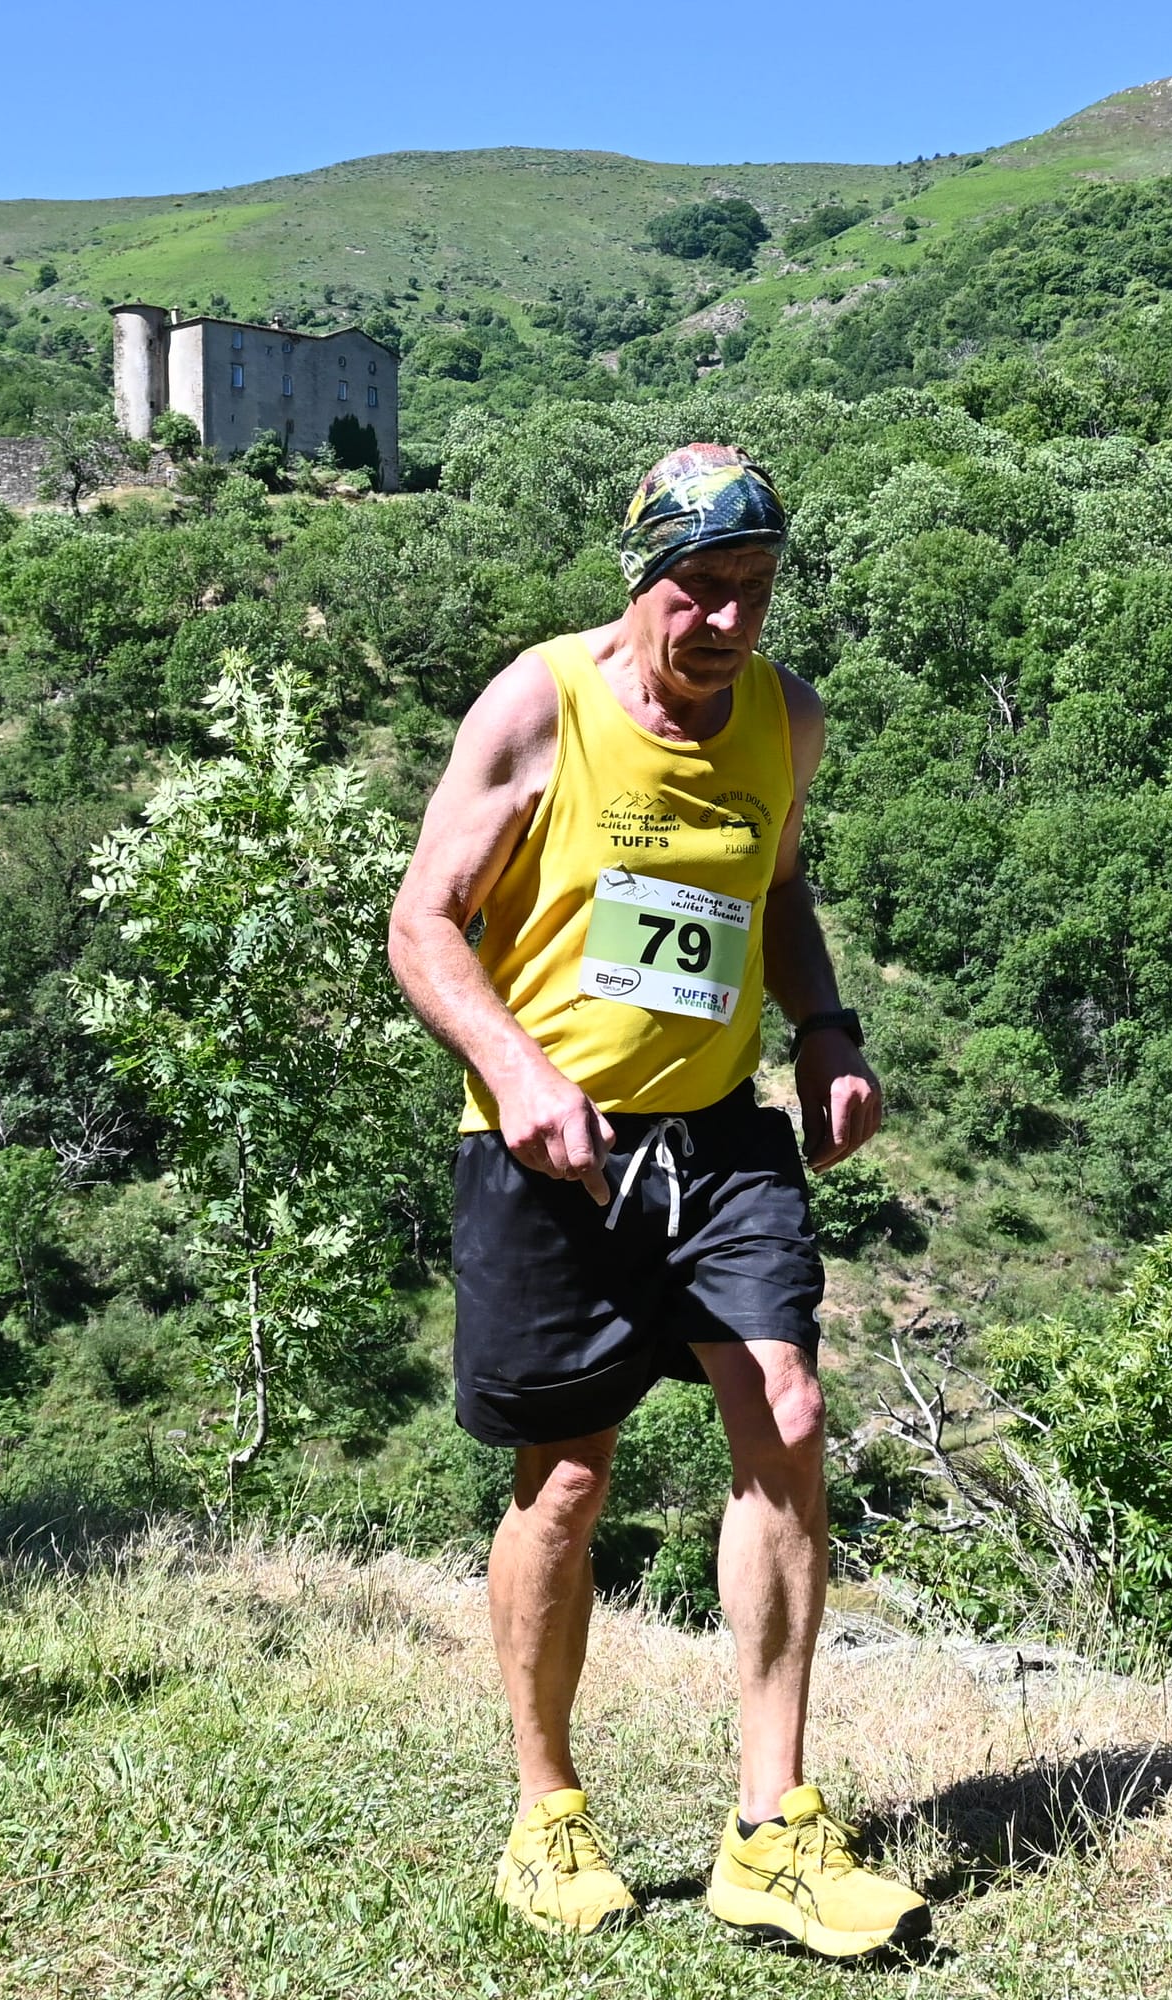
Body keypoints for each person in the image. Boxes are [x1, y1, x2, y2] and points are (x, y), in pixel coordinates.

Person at [388, 443, 930, 1959]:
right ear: (640, 582)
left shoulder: (782, 717)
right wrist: (520, 1072)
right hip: (548, 1150)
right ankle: (547, 1809)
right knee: (566, 1479)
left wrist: (825, 1030)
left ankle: (773, 1830)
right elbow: (423, 924)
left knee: (791, 1415)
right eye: (700, 595)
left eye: (755, 594)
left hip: (717, 1135)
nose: (730, 628)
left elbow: (776, 884)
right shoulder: (537, 704)